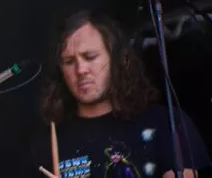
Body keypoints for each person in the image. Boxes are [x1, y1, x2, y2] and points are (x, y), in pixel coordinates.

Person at [28, 10, 210, 178]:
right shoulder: (48, 143)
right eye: (69, 61)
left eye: (90, 57)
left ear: (119, 60)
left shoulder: (166, 124)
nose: (81, 69)